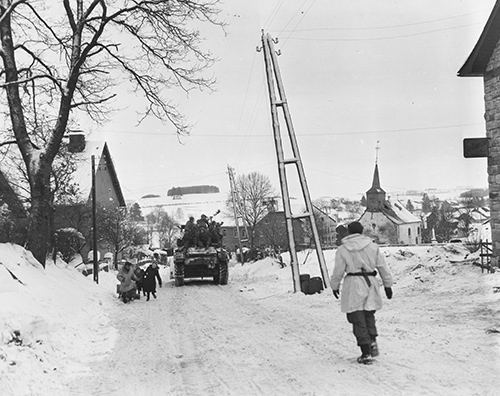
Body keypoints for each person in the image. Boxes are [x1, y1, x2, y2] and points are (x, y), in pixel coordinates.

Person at [330, 221, 393, 364]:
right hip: (370, 283)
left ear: (349, 232)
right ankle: (372, 341)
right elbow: (383, 267)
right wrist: (388, 285)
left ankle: (366, 352)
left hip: (353, 284)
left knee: (357, 317)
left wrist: (334, 286)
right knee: (369, 313)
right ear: (362, 231)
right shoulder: (372, 247)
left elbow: (338, 271)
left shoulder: (343, 249)